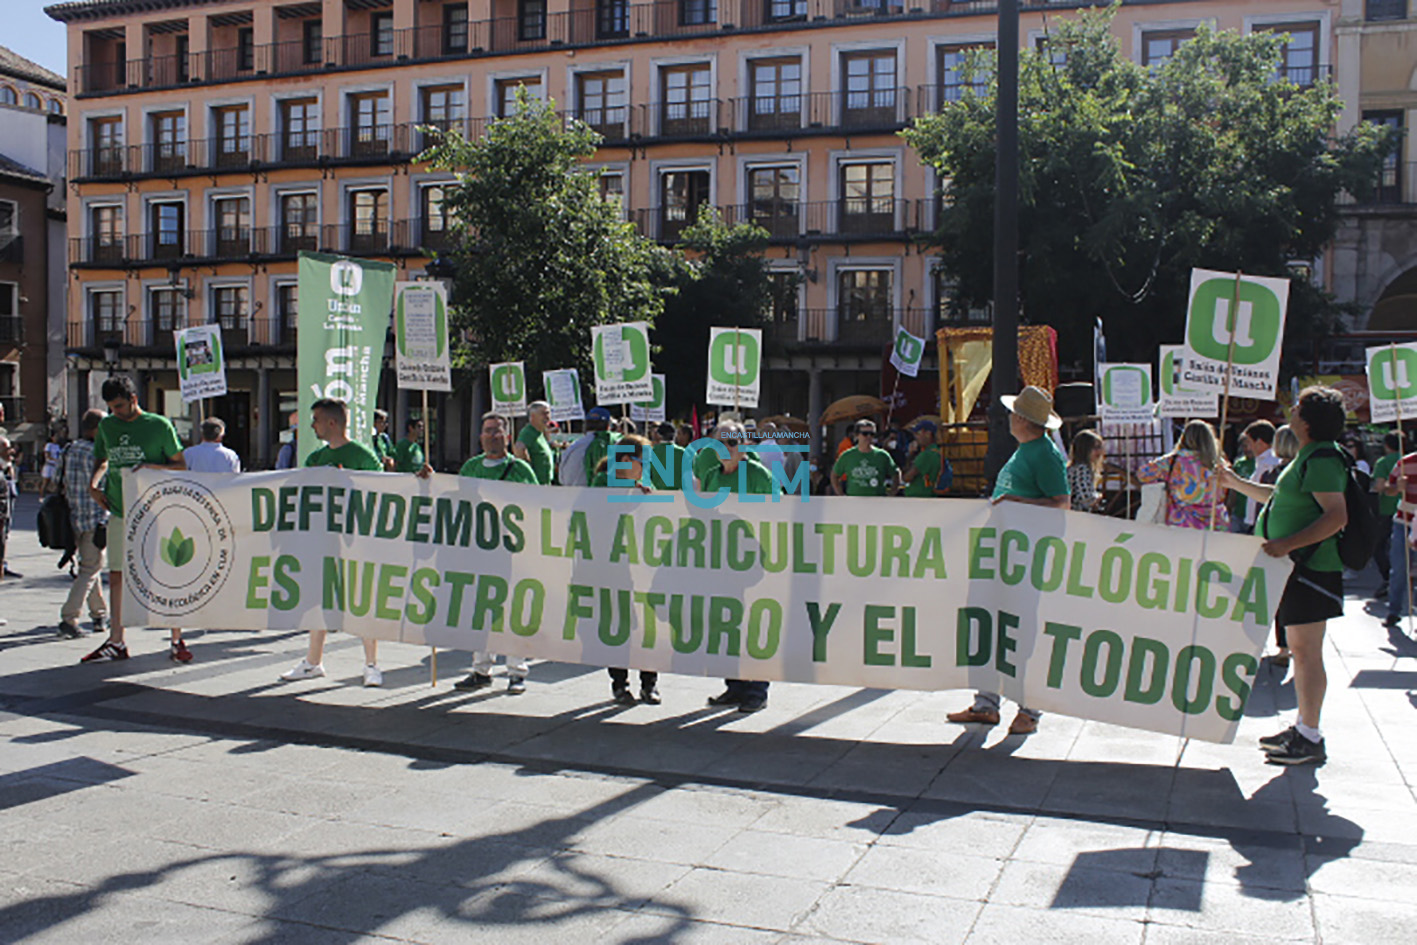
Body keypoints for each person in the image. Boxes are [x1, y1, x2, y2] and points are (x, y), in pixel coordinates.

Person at [1219, 386, 1349, 766]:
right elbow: (1278, 497)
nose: (1290, 411)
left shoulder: (1322, 458)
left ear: (1307, 421)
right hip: (1298, 568)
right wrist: (1234, 483)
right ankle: (1304, 729)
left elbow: (1336, 516)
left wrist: (1286, 544)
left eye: (1297, 408)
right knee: (1301, 649)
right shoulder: (1308, 456)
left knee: (1306, 653)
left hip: (1310, 570)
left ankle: (1309, 736)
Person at [948, 385, 1067, 736]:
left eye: (1014, 413)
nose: (1009, 418)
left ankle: (1029, 710)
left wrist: (1016, 503)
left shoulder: (1044, 454)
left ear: (1023, 420)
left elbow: (1062, 504)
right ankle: (987, 703)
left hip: (1025, 560)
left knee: (1021, 632)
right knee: (992, 626)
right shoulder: (1028, 450)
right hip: (1006, 557)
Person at [81, 375, 192, 664]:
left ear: (134, 399)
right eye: (111, 407)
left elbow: (181, 465)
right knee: (117, 575)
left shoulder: (159, 425)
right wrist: (93, 484)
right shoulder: (107, 426)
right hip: (120, 510)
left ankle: (177, 639)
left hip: (156, 511)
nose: (115, 412)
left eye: (119, 406)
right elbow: (102, 459)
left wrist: (150, 467)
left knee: (167, 574)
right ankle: (116, 640)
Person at [279, 398, 386, 686]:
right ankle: (313, 662)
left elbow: (382, 492)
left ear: (331, 422)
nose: (311, 426)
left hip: (356, 540)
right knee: (319, 599)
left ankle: (371, 664)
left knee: (362, 601)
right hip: (323, 540)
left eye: (315, 419)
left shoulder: (363, 456)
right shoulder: (315, 458)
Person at [450, 413, 540, 694]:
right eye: (487, 431)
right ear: (480, 436)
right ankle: (481, 669)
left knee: (512, 611)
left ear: (507, 437)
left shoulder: (521, 470)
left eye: (497, 431)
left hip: (512, 550)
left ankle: (516, 671)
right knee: (481, 611)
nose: (491, 436)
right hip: (479, 550)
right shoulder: (471, 467)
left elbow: (537, 504)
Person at [697, 420, 778, 712]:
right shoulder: (710, 475)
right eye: (720, 442)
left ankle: (757, 690)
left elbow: (776, 514)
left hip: (752, 563)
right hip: (720, 561)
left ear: (744, 446)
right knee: (726, 625)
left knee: (751, 627)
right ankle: (734, 686)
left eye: (732, 442)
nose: (726, 448)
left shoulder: (758, 474)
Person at [588, 434, 663, 704]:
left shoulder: (646, 483)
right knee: (617, 625)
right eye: (644, 461)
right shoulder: (602, 482)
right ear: (626, 460)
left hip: (641, 565)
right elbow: (599, 512)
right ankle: (619, 684)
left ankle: (649, 684)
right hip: (612, 565)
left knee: (646, 626)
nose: (648, 467)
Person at [57, 409, 109, 639]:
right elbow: (107, 486)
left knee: (89, 565)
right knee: (90, 569)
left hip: (73, 517)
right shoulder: (99, 454)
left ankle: (99, 614)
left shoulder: (69, 449)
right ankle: (69, 618)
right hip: (95, 518)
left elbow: (59, 480)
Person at [1133, 420, 1229, 531]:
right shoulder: (1219, 463)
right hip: (1216, 522)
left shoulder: (1172, 461)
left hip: (1182, 523)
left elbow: (1142, 474)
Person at [1263, 425, 1300, 668]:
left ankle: (1284, 646)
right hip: (1301, 540)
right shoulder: (1303, 473)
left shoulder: (1271, 475)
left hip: (1275, 541)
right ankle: (1293, 643)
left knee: (1279, 595)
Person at [1382, 433, 1417, 629]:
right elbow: (1388, 488)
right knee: (1399, 569)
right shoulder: (1405, 463)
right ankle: (1393, 611)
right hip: (1404, 521)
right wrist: (1397, 487)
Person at [831, 419, 900, 496]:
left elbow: (895, 473)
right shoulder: (847, 456)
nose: (869, 437)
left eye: (872, 434)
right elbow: (834, 475)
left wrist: (893, 492)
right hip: (854, 499)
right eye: (865, 434)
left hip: (877, 499)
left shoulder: (882, 455)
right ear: (857, 435)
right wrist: (840, 494)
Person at [1371, 431, 1402, 600]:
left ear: (1387, 446)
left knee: (1379, 546)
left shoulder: (1383, 463)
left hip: (1387, 509)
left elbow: (1379, 486)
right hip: (1409, 509)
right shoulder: (1410, 460)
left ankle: (1388, 577)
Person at [559, 407, 619, 487]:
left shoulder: (572, 447)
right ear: (608, 426)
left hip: (570, 491)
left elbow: (561, 478)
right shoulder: (615, 443)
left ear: (585, 425)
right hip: (599, 492)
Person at [902, 419, 951, 498]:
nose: (915, 437)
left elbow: (906, 478)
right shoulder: (937, 452)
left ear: (928, 434)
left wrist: (910, 455)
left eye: (918, 433)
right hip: (929, 495)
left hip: (918, 496)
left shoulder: (926, 455)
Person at [513, 401, 556, 485]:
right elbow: (519, 448)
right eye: (543, 414)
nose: (547, 417)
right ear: (533, 416)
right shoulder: (528, 432)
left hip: (545, 484)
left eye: (548, 413)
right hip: (535, 486)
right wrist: (528, 472)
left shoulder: (539, 432)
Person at [1067, 429, 1106, 512]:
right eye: (1095, 448)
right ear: (1085, 449)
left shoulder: (1075, 467)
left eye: (1100, 447)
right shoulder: (1082, 469)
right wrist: (1098, 497)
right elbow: (1086, 499)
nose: (1099, 451)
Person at [1228, 431, 1256, 534]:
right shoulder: (1239, 463)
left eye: (1249, 445)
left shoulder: (1261, 463)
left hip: (1253, 514)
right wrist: (1229, 507)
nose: (1247, 449)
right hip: (1238, 513)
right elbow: (1233, 489)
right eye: (1244, 446)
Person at [647, 421, 687, 491]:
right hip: (678, 493)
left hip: (657, 492)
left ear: (659, 434)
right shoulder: (683, 452)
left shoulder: (651, 452)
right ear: (675, 434)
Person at [41, 429, 64, 493]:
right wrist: (54, 460)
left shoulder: (58, 446)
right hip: (49, 465)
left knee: (55, 482)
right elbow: (47, 455)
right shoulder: (49, 445)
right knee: (45, 482)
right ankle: (42, 496)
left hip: (55, 466)